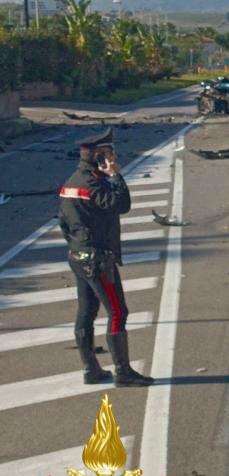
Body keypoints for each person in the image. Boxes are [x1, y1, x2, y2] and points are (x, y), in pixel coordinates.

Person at [59, 128, 154, 387]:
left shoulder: (71, 183)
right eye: (110, 153)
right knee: (118, 311)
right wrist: (115, 176)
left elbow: (64, 224)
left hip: (77, 255)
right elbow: (121, 205)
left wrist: (78, 246)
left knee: (86, 311)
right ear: (99, 157)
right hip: (97, 259)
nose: (115, 157)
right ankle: (123, 372)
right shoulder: (93, 184)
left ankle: (91, 369)